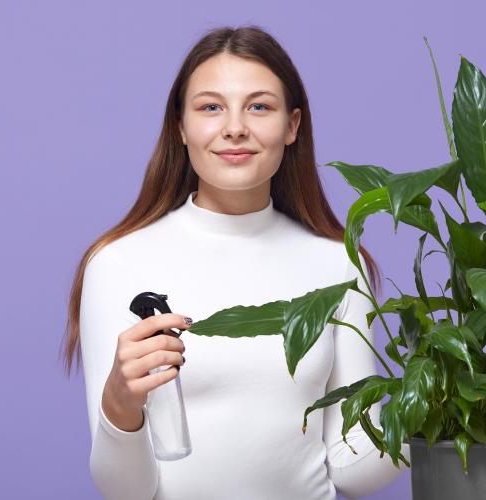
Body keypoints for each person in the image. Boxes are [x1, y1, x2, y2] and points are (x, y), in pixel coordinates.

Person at [60, 25, 410, 500]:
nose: (235, 127)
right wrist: (120, 405)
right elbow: (126, 491)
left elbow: (352, 467)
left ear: (292, 126)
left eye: (259, 106)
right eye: (210, 107)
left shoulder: (340, 265)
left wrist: (429, 412)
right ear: (181, 127)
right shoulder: (119, 263)